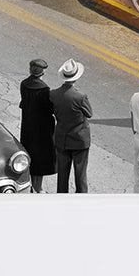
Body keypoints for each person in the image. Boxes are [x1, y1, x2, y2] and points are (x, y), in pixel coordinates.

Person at [50, 59, 93, 193]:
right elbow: (89, 113)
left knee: (62, 174)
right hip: (79, 140)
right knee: (80, 175)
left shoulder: (53, 94)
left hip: (62, 138)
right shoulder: (80, 96)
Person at [18, 58, 56, 193]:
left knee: (30, 155)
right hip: (41, 129)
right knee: (40, 158)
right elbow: (49, 109)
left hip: (28, 126)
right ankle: (38, 188)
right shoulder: (44, 89)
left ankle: (31, 186)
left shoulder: (24, 84)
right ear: (42, 73)